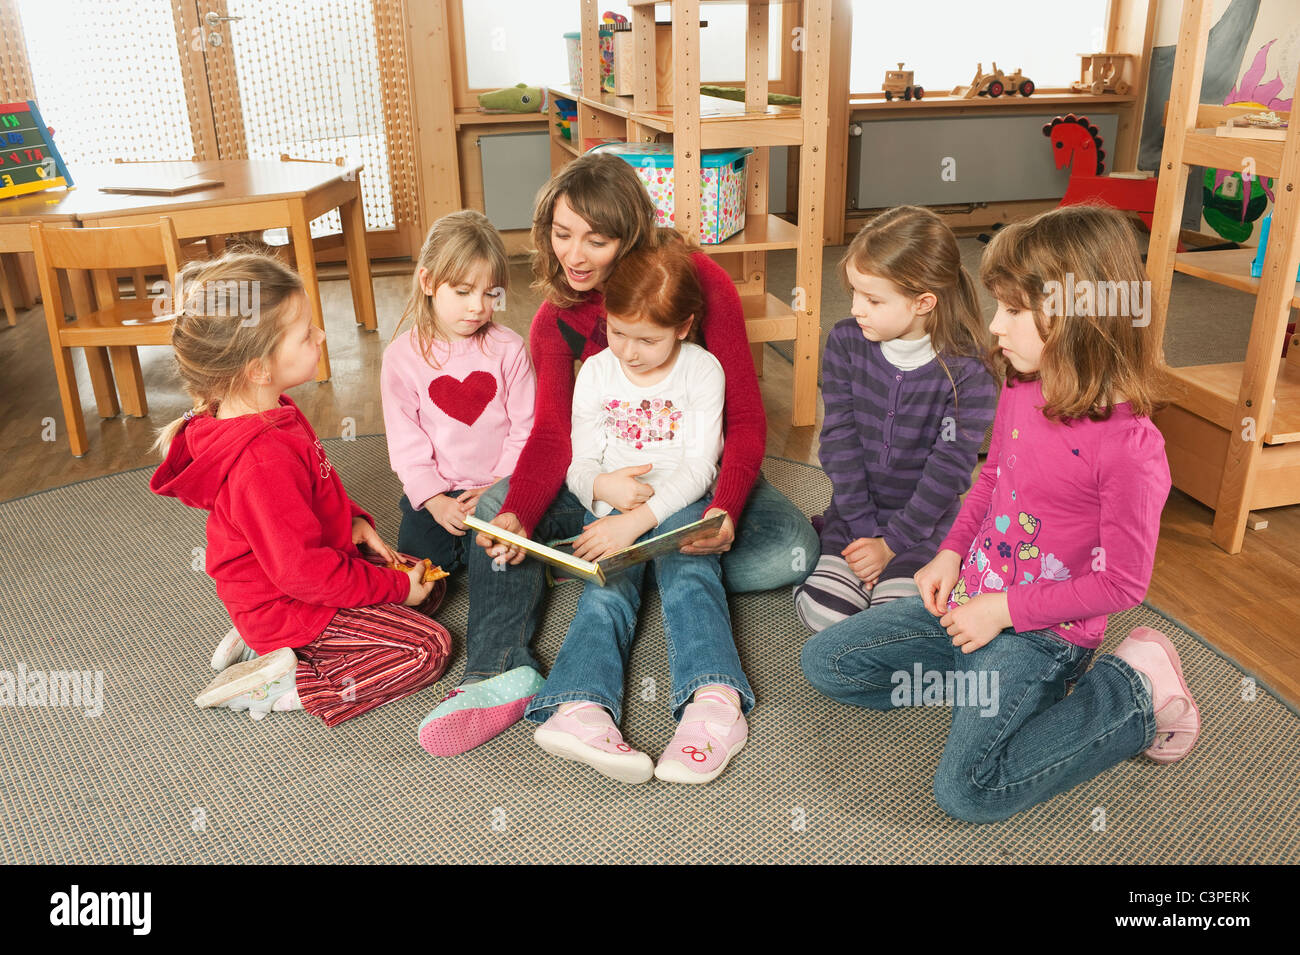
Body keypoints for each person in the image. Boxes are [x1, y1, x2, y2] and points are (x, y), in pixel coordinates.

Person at [801, 204, 1200, 823]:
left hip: (1043, 636)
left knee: (970, 792)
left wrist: (1003, 612)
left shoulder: (1132, 450)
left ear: (1075, 317)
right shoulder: (1022, 385)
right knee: (826, 662)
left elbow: (1123, 584)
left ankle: (1133, 690)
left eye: (1012, 311)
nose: (994, 327)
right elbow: (991, 480)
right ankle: (989, 693)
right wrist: (951, 552)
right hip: (970, 600)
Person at [417, 152, 818, 756]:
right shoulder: (555, 319)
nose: (573, 256)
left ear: (629, 236)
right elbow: (554, 437)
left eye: (596, 240)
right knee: (498, 510)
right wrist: (520, 514)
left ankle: (611, 564)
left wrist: (725, 509)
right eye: (561, 234)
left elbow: (745, 420)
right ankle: (499, 670)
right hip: (600, 487)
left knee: (791, 550)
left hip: (689, 482)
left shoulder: (702, 284)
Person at [150, 253, 449, 725]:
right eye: (306, 333)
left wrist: (351, 519)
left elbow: (310, 494)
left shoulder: (273, 408)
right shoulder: (259, 459)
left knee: (427, 584)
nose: (321, 337)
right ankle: (287, 677)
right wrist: (391, 587)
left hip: (298, 572)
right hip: (290, 599)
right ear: (258, 369)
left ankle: (269, 641)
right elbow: (303, 572)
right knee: (427, 648)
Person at [523, 237, 752, 784]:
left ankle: (714, 701)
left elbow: (700, 468)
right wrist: (601, 488)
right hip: (611, 508)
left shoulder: (701, 371)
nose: (628, 351)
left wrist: (638, 521)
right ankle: (579, 708)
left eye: (646, 340)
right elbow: (579, 465)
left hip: (677, 504)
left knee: (691, 575)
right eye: (619, 332)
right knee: (607, 591)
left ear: (684, 326)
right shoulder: (598, 373)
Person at [794, 206, 998, 631]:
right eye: (854, 292)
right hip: (853, 514)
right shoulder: (845, 342)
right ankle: (841, 553)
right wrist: (866, 531)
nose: (856, 309)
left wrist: (891, 545)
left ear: (924, 302)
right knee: (825, 616)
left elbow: (949, 470)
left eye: (872, 299)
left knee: (895, 623)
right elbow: (838, 440)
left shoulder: (969, 370)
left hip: (924, 524)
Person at [381, 210, 535, 576]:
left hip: (499, 487)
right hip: (435, 493)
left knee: (507, 564)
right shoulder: (401, 357)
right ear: (429, 281)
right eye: (463, 291)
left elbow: (525, 428)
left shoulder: (509, 348)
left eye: (489, 294)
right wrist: (434, 500)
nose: (478, 307)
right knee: (418, 574)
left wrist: (498, 487)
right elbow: (406, 444)